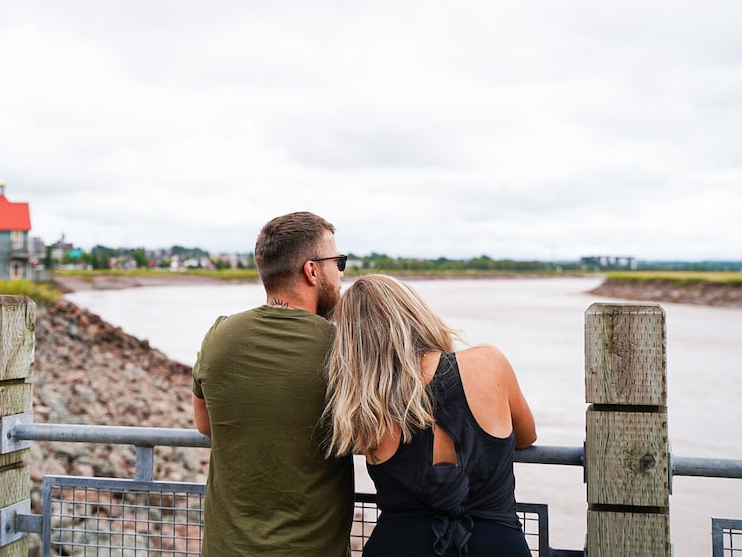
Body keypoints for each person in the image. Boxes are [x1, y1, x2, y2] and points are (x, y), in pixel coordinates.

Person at [324, 274, 537, 557]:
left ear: (353, 342)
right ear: (417, 312)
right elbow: (527, 437)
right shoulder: (489, 362)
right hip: (496, 544)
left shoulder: (363, 405)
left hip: (397, 546)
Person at [192, 211, 355, 556]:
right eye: (338, 262)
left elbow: (205, 424)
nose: (341, 273)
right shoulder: (343, 348)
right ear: (312, 271)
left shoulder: (219, 335)